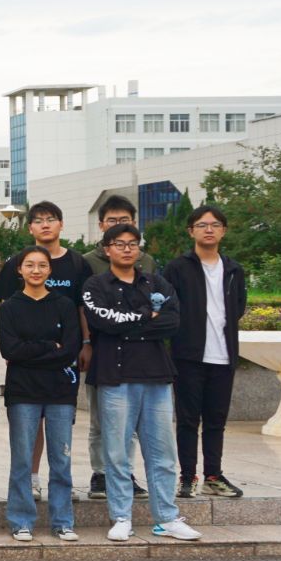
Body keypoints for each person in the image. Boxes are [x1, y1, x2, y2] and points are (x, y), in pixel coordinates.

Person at [81, 224, 200, 542]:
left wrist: (131, 324)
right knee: (117, 453)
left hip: (156, 377)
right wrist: (148, 317)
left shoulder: (156, 282)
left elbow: (173, 321)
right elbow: (102, 322)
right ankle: (121, 516)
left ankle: (167, 518)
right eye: (119, 244)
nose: (127, 249)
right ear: (107, 249)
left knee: (162, 453)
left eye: (133, 244)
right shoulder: (95, 285)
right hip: (115, 377)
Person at [0, 201, 96, 501]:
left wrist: (85, 343)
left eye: (51, 219)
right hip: (26, 366)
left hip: (63, 363)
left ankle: (61, 488)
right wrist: (13, 345)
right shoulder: (18, 261)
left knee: (60, 430)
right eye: (38, 220)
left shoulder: (77, 263)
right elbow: (3, 305)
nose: (45, 225)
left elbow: (82, 307)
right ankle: (32, 479)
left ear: (61, 224)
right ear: (30, 228)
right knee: (29, 426)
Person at [0, 246, 82, 542]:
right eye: (29, 265)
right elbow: (10, 350)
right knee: (22, 459)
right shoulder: (10, 307)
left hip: (60, 391)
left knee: (61, 459)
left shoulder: (64, 305)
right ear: (19, 270)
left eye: (42, 265)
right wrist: (49, 347)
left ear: (50, 270)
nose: (36, 270)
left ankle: (62, 521)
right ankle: (21, 520)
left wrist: (31, 352)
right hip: (23, 391)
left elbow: (70, 349)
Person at [162, 205, 248, 499]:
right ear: (191, 231)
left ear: (224, 231)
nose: (209, 229)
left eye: (215, 225)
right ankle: (187, 476)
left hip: (224, 355)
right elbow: (168, 307)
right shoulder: (177, 268)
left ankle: (214, 474)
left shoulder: (234, 269)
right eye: (202, 225)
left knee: (216, 420)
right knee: (187, 420)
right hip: (188, 356)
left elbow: (238, 307)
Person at [77, 196, 154, 499]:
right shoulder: (86, 262)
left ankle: (125, 472)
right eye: (112, 220)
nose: (119, 225)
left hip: (137, 351)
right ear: (101, 225)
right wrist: (86, 342)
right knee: (101, 418)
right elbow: (83, 307)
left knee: (129, 420)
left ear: (134, 223)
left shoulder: (146, 261)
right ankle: (100, 473)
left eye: (125, 220)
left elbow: (155, 307)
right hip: (102, 349)